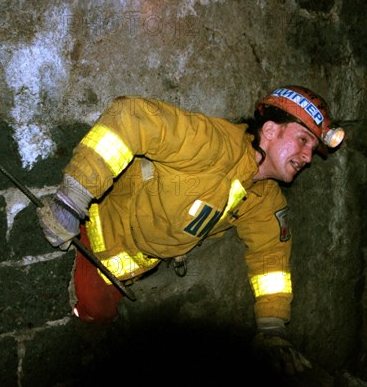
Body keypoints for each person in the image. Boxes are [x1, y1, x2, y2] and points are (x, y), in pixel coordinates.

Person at [37, 86, 345, 374]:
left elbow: (271, 261)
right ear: (270, 130)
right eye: (303, 139)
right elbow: (130, 116)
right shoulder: (214, 144)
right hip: (97, 233)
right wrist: (71, 200)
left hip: (135, 267)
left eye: (313, 148)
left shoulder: (263, 197)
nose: (308, 157)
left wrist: (273, 330)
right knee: (91, 320)